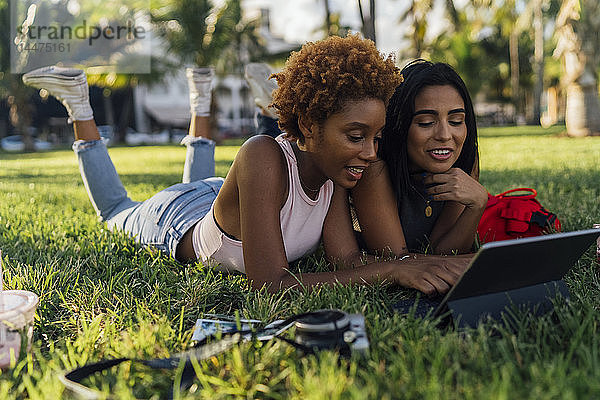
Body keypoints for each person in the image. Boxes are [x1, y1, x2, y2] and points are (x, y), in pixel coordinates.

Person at [23, 35, 469, 295]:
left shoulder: (335, 175)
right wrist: (393, 268)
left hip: (220, 197)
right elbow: (270, 284)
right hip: (175, 218)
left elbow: (347, 261)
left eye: (375, 137)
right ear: (309, 128)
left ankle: (201, 95)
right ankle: (81, 106)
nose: (372, 153)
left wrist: (416, 264)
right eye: (356, 136)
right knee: (115, 211)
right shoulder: (263, 155)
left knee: (203, 184)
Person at [352, 60, 488, 257]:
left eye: (456, 121)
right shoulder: (375, 170)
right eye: (426, 122)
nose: (444, 135)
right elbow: (399, 260)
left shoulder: (465, 161)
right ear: (400, 126)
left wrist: (477, 205)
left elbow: (442, 253)